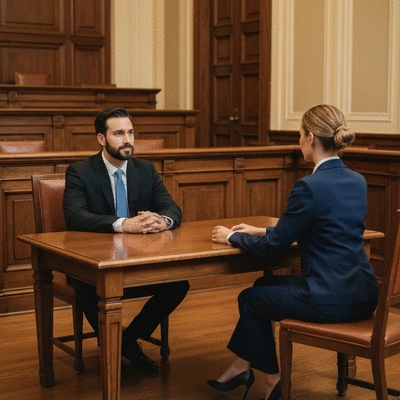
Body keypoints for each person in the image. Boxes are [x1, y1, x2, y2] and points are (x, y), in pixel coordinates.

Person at [207, 104, 379, 400]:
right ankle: (241, 365)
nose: (299, 140)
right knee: (263, 286)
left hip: (329, 298)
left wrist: (232, 236)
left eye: (300, 134)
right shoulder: (357, 181)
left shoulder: (309, 186)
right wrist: (259, 230)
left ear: (310, 137)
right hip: (364, 295)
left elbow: (275, 247)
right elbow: (324, 228)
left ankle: (273, 380)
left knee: (249, 300)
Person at [63, 107, 190, 373]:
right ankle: (127, 346)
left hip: (139, 260)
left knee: (178, 283)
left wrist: (162, 220)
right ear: (101, 139)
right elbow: (75, 216)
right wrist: (123, 224)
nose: (127, 139)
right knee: (87, 285)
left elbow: (173, 209)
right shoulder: (80, 172)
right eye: (119, 133)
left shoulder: (145, 170)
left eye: (130, 132)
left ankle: (126, 340)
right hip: (95, 262)